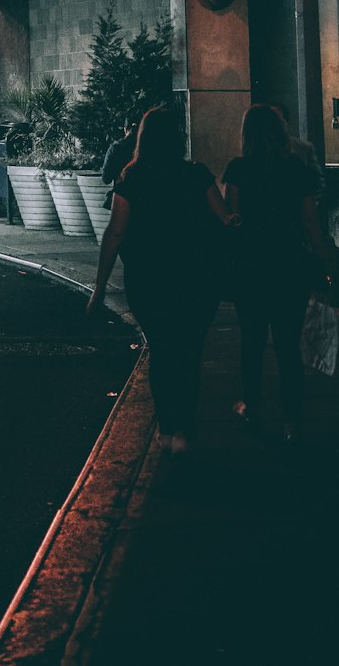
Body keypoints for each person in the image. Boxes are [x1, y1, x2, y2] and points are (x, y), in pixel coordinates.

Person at [87, 106, 236, 455]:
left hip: (149, 279)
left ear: (144, 137)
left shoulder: (132, 178)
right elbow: (224, 219)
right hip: (198, 277)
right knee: (189, 352)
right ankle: (183, 430)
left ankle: (168, 428)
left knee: (163, 351)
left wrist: (99, 287)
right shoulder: (197, 175)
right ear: (178, 138)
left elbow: (116, 232)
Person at [223, 104, 336, 440]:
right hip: (289, 265)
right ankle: (293, 419)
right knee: (288, 344)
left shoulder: (238, 170)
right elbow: (311, 224)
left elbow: (233, 219)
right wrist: (324, 263)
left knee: (252, 341)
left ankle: (251, 406)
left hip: (251, 267)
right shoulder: (296, 170)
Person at [102, 116, 139, 186]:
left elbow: (106, 179)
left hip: (122, 193)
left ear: (125, 129)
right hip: (144, 194)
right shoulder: (148, 148)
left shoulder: (115, 148)